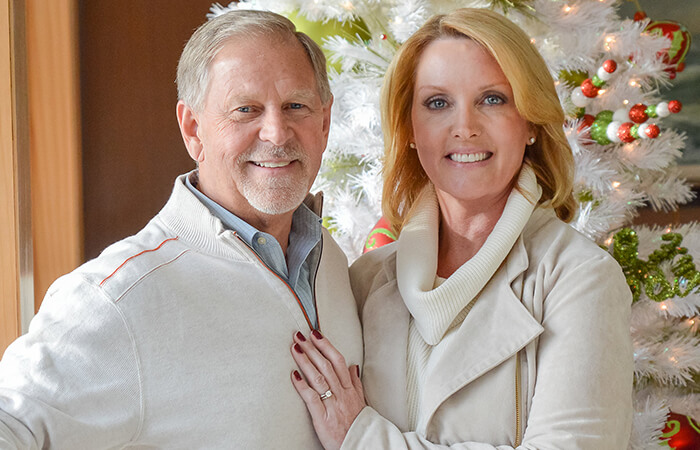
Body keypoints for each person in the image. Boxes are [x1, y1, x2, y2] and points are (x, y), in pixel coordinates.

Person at [0, 9, 362, 449]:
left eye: (296, 107)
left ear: (324, 123)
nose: (276, 132)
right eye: (245, 110)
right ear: (193, 129)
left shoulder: (332, 264)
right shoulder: (118, 296)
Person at [290, 8, 633, 449]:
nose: (465, 128)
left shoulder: (580, 279)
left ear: (529, 122)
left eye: (492, 99)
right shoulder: (363, 281)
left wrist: (363, 440)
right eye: (437, 103)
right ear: (410, 128)